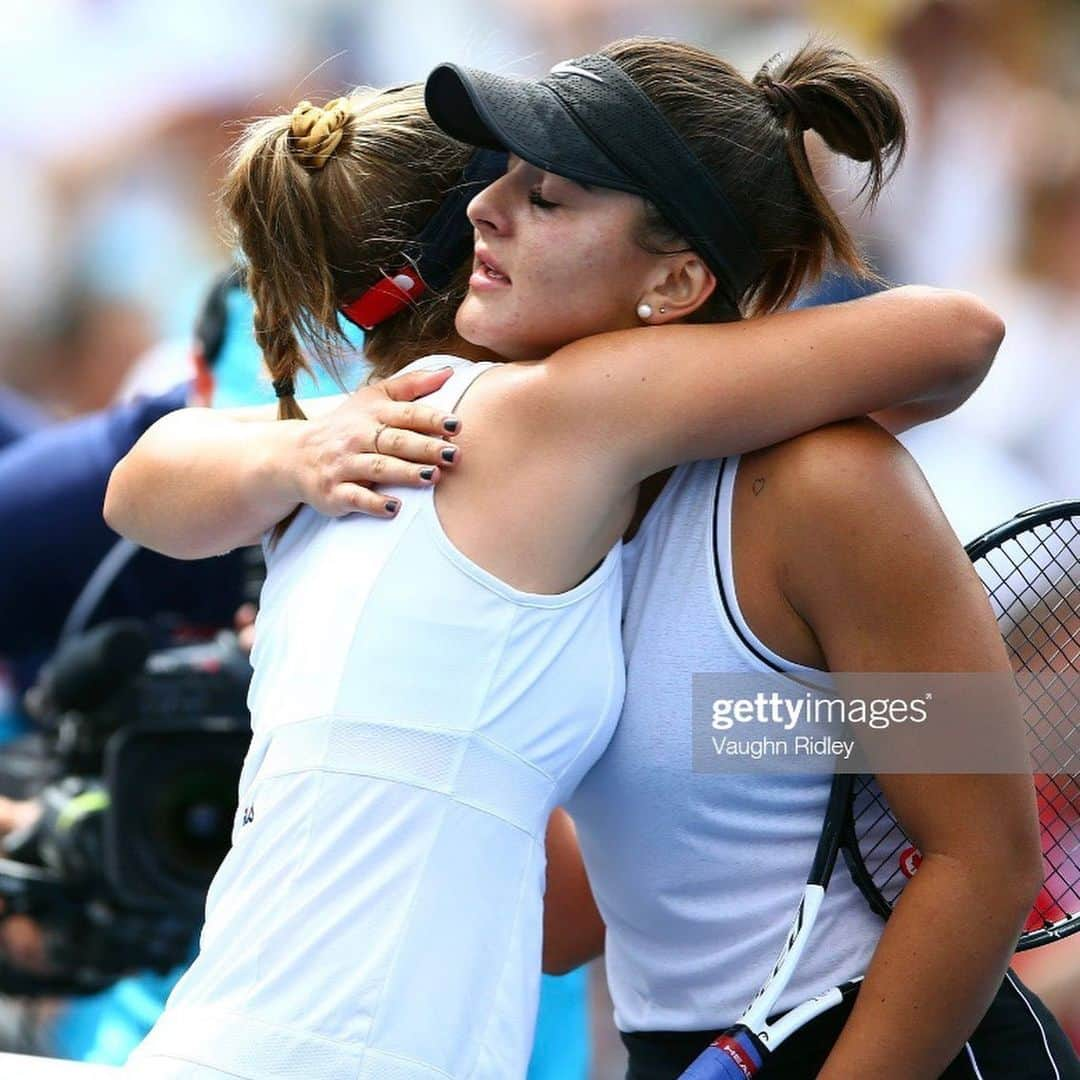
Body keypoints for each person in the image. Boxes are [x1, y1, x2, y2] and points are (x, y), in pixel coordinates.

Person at [104, 41, 1020, 1080]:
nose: (486, 210)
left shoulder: (830, 486)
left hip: (890, 1047)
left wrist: (812, 719)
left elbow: (985, 856)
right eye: (502, 180)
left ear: (676, 280)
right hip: (678, 1053)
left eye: (550, 198)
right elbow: (579, 907)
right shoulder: (539, 504)